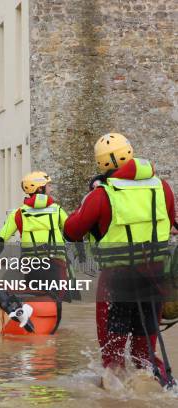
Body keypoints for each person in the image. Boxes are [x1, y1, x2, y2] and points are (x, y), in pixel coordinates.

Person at [63, 133, 176, 387]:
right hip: (154, 279)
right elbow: (170, 222)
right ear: (131, 152)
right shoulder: (163, 187)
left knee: (112, 355)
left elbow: (71, 231)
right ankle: (161, 387)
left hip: (116, 282)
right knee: (144, 353)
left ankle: (114, 396)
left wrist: (88, 198)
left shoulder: (102, 195)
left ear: (101, 165)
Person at [0, 171, 70, 298]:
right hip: (55, 263)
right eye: (49, 186)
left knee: (33, 300)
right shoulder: (57, 210)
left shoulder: (18, 213)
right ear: (40, 188)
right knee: (55, 302)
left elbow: (1, 237)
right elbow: (72, 230)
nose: (52, 189)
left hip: (32, 266)